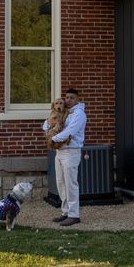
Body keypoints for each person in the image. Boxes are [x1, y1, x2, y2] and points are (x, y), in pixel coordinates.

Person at [46, 86, 86, 227]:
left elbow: (71, 131)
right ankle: (65, 212)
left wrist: (54, 139)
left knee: (71, 184)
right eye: (67, 97)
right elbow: (46, 124)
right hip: (60, 152)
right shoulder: (65, 112)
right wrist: (47, 127)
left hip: (71, 152)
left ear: (78, 99)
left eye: (72, 98)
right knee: (61, 183)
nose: (68, 100)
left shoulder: (79, 114)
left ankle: (74, 215)